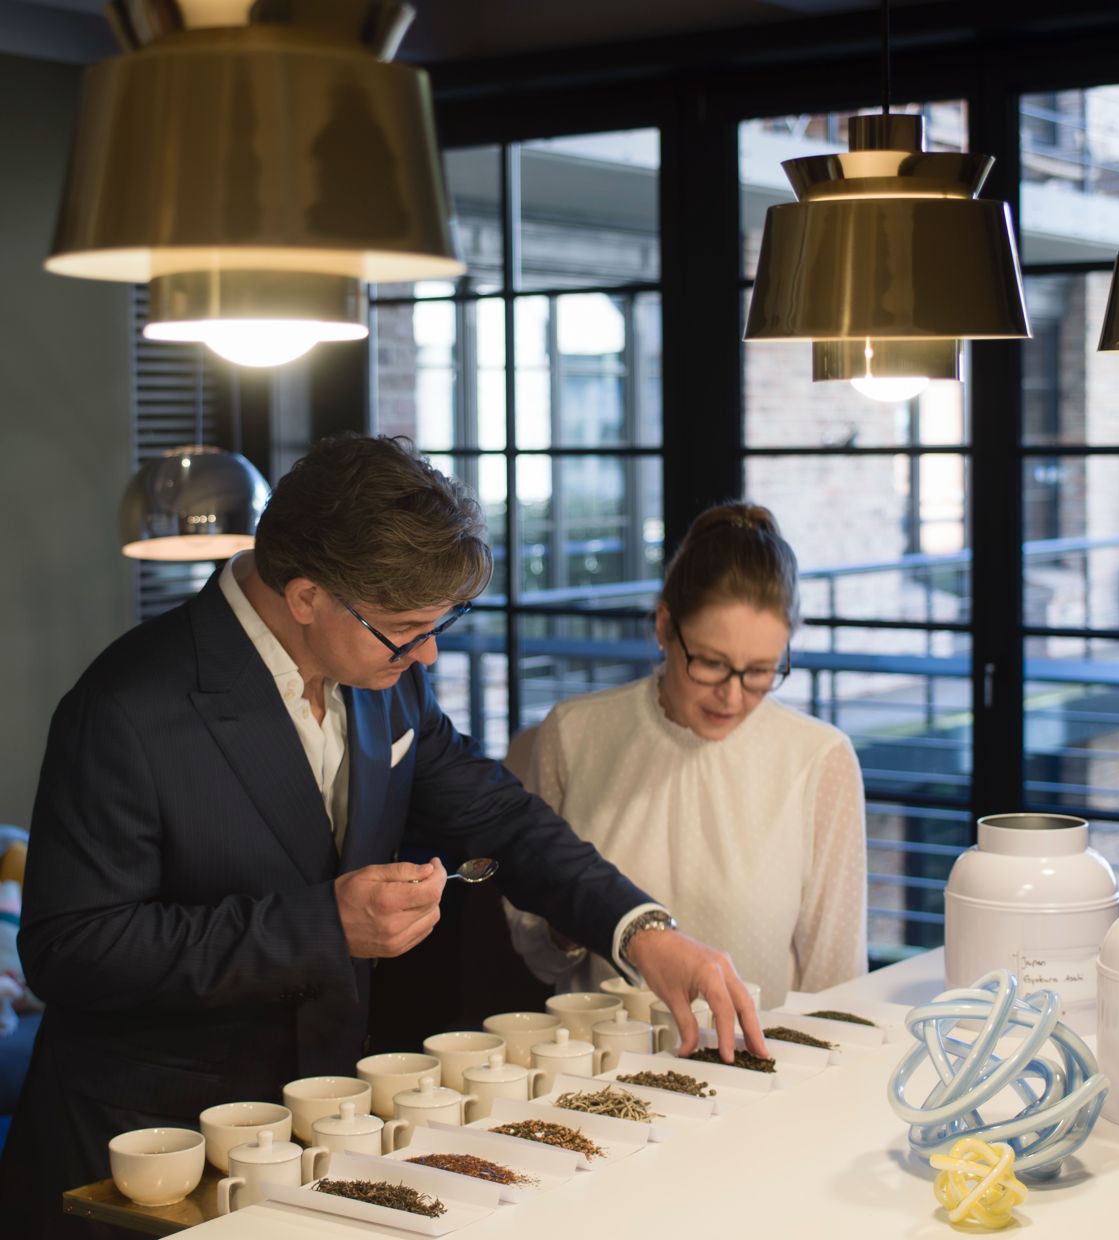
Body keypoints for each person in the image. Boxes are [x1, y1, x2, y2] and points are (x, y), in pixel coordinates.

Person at [0, 435, 762, 1230]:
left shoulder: (383, 678)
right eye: (405, 628)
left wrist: (642, 932)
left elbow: (500, 816)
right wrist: (323, 926)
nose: (427, 652)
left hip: (322, 1132)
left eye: (438, 623)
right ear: (306, 596)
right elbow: (70, 951)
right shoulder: (123, 706)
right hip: (145, 1155)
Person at [503, 502, 867, 1006]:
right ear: (663, 626)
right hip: (599, 1052)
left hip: (763, 1055)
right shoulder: (573, 734)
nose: (732, 696)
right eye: (712, 664)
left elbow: (838, 987)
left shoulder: (819, 759)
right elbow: (537, 955)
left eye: (760, 671)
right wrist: (573, 923)